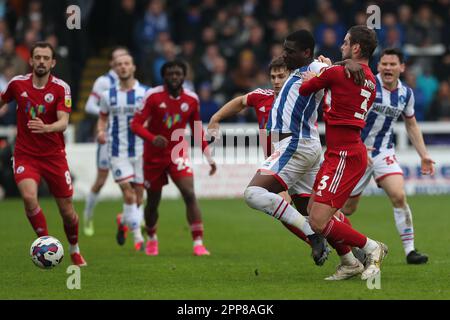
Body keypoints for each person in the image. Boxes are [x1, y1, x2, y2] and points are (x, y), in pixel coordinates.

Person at [299, 25, 386, 281]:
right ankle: (349, 263)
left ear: (356, 47)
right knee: (314, 208)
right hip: (342, 152)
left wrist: (322, 71)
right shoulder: (369, 80)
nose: (341, 45)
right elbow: (337, 76)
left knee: (316, 221)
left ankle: (371, 247)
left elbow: (306, 87)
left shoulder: (338, 72)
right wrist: (334, 67)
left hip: (344, 155)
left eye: (346, 42)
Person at [242, 30, 333, 266]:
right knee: (314, 213)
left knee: (253, 194)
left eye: (290, 51)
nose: (285, 54)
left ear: (306, 52)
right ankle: (359, 253)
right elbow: (241, 101)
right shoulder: (297, 73)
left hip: (296, 144)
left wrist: (332, 67)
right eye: (284, 48)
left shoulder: (316, 69)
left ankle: (312, 236)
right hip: (301, 145)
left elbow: (346, 76)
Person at [341, 48, 434, 264]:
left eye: (393, 64)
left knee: (399, 195)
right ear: (378, 66)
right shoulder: (367, 85)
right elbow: (348, 115)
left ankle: (410, 251)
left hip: (384, 151)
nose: (388, 68)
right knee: (347, 208)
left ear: (402, 67)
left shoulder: (406, 94)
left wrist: (424, 155)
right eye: (384, 64)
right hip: (358, 151)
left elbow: (411, 124)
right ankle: (346, 246)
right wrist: (357, 147)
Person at [0, 42, 86, 266]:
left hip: (54, 155)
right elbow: (2, 101)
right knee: (29, 198)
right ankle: (45, 245)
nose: (41, 61)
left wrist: (46, 128)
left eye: (45, 58)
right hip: (25, 153)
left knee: (67, 211)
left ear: (53, 62)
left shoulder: (61, 88)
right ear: (30, 61)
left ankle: (74, 249)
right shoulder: (17, 84)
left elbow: (63, 122)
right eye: (37, 57)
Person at [131, 60, 217, 256]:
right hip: (153, 156)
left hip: (177, 152)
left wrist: (208, 156)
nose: (174, 77)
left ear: (184, 76)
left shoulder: (192, 99)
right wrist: (152, 139)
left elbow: (196, 130)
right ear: (164, 76)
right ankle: (152, 237)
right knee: (153, 201)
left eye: (178, 73)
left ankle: (198, 243)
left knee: (189, 193)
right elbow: (135, 124)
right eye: (170, 73)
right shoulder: (152, 96)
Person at [97, 54, 147, 251]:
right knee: (129, 193)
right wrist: (101, 131)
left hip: (142, 151)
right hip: (118, 151)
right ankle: (137, 238)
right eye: (119, 64)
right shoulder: (107, 96)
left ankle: (123, 219)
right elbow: (101, 119)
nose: (123, 67)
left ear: (133, 67)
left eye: (126, 63)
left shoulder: (145, 93)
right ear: (114, 69)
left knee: (140, 197)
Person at [82, 46, 129, 236]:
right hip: (108, 136)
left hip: (127, 138)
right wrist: (107, 112)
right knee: (101, 180)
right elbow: (89, 106)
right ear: (111, 63)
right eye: (117, 60)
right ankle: (87, 216)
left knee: (130, 184)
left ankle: (128, 220)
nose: (121, 65)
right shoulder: (104, 81)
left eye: (125, 60)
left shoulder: (133, 83)